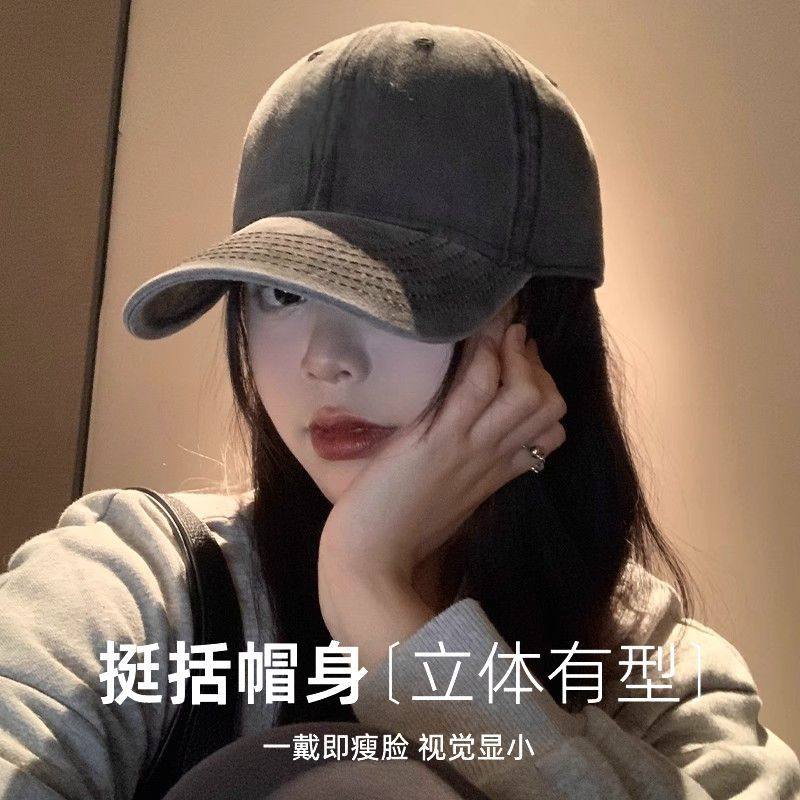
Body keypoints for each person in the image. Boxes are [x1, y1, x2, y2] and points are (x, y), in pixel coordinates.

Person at [1, 19, 798, 800]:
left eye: (393, 292)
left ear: (541, 323)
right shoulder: (140, 585)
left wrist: (374, 596)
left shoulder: (651, 669)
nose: (325, 359)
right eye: (280, 293)